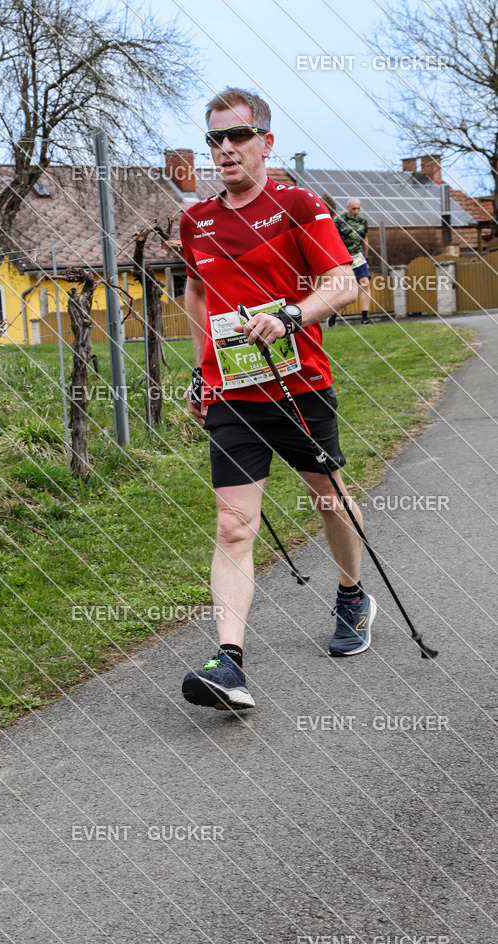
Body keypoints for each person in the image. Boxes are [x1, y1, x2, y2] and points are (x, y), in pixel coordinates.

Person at [179, 87, 376, 712]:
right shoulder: (196, 220)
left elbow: (341, 281)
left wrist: (293, 314)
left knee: (328, 500)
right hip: (233, 393)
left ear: (265, 141)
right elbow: (199, 299)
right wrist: (199, 372)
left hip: (300, 385)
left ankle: (351, 593)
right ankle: (229, 662)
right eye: (215, 138)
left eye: (237, 136)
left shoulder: (298, 205)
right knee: (233, 526)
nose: (225, 149)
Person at [328, 198, 373, 326]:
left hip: (358, 258)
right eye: (354, 208)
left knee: (365, 283)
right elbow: (332, 240)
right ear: (348, 208)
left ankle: (365, 317)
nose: (356, 211)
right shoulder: (338, 221)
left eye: (358, 208)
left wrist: (366, 258)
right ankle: (333, 315)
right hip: (343, 259)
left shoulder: (362, 221)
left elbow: (365, 239)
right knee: (342, 288)